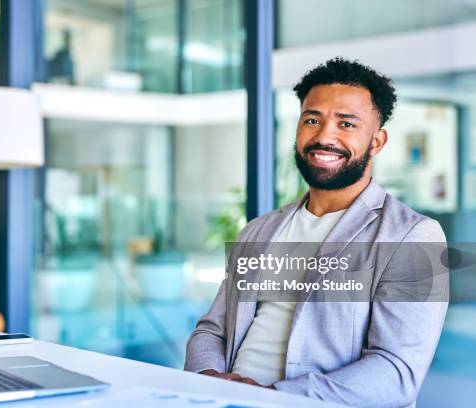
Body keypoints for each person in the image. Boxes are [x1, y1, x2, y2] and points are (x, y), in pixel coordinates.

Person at [185, 57, 448, 408]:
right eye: (312, 119)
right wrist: (209, 380)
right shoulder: (258, 231)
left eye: (347, 123)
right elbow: (211, 330)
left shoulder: (413, 236)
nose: (325, 136)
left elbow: (396, 373)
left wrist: (272, 397)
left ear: (377, 141)